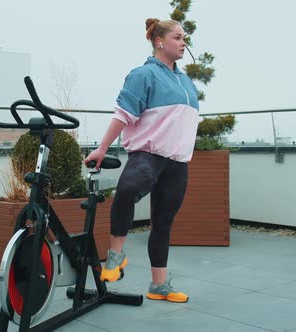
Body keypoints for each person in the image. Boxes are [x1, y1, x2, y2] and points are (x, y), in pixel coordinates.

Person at [84, 18, 202, 303]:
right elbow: (123, 114)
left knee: (163, 223)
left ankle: (158, 285)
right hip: (148, 155)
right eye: (177, 37)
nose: (183, 42)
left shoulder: (186, 82)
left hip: (178, 163)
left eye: (184, 37)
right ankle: (116, 254)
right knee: (125, 192)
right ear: (159, 41)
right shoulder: (143, 74)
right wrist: (102, 148)